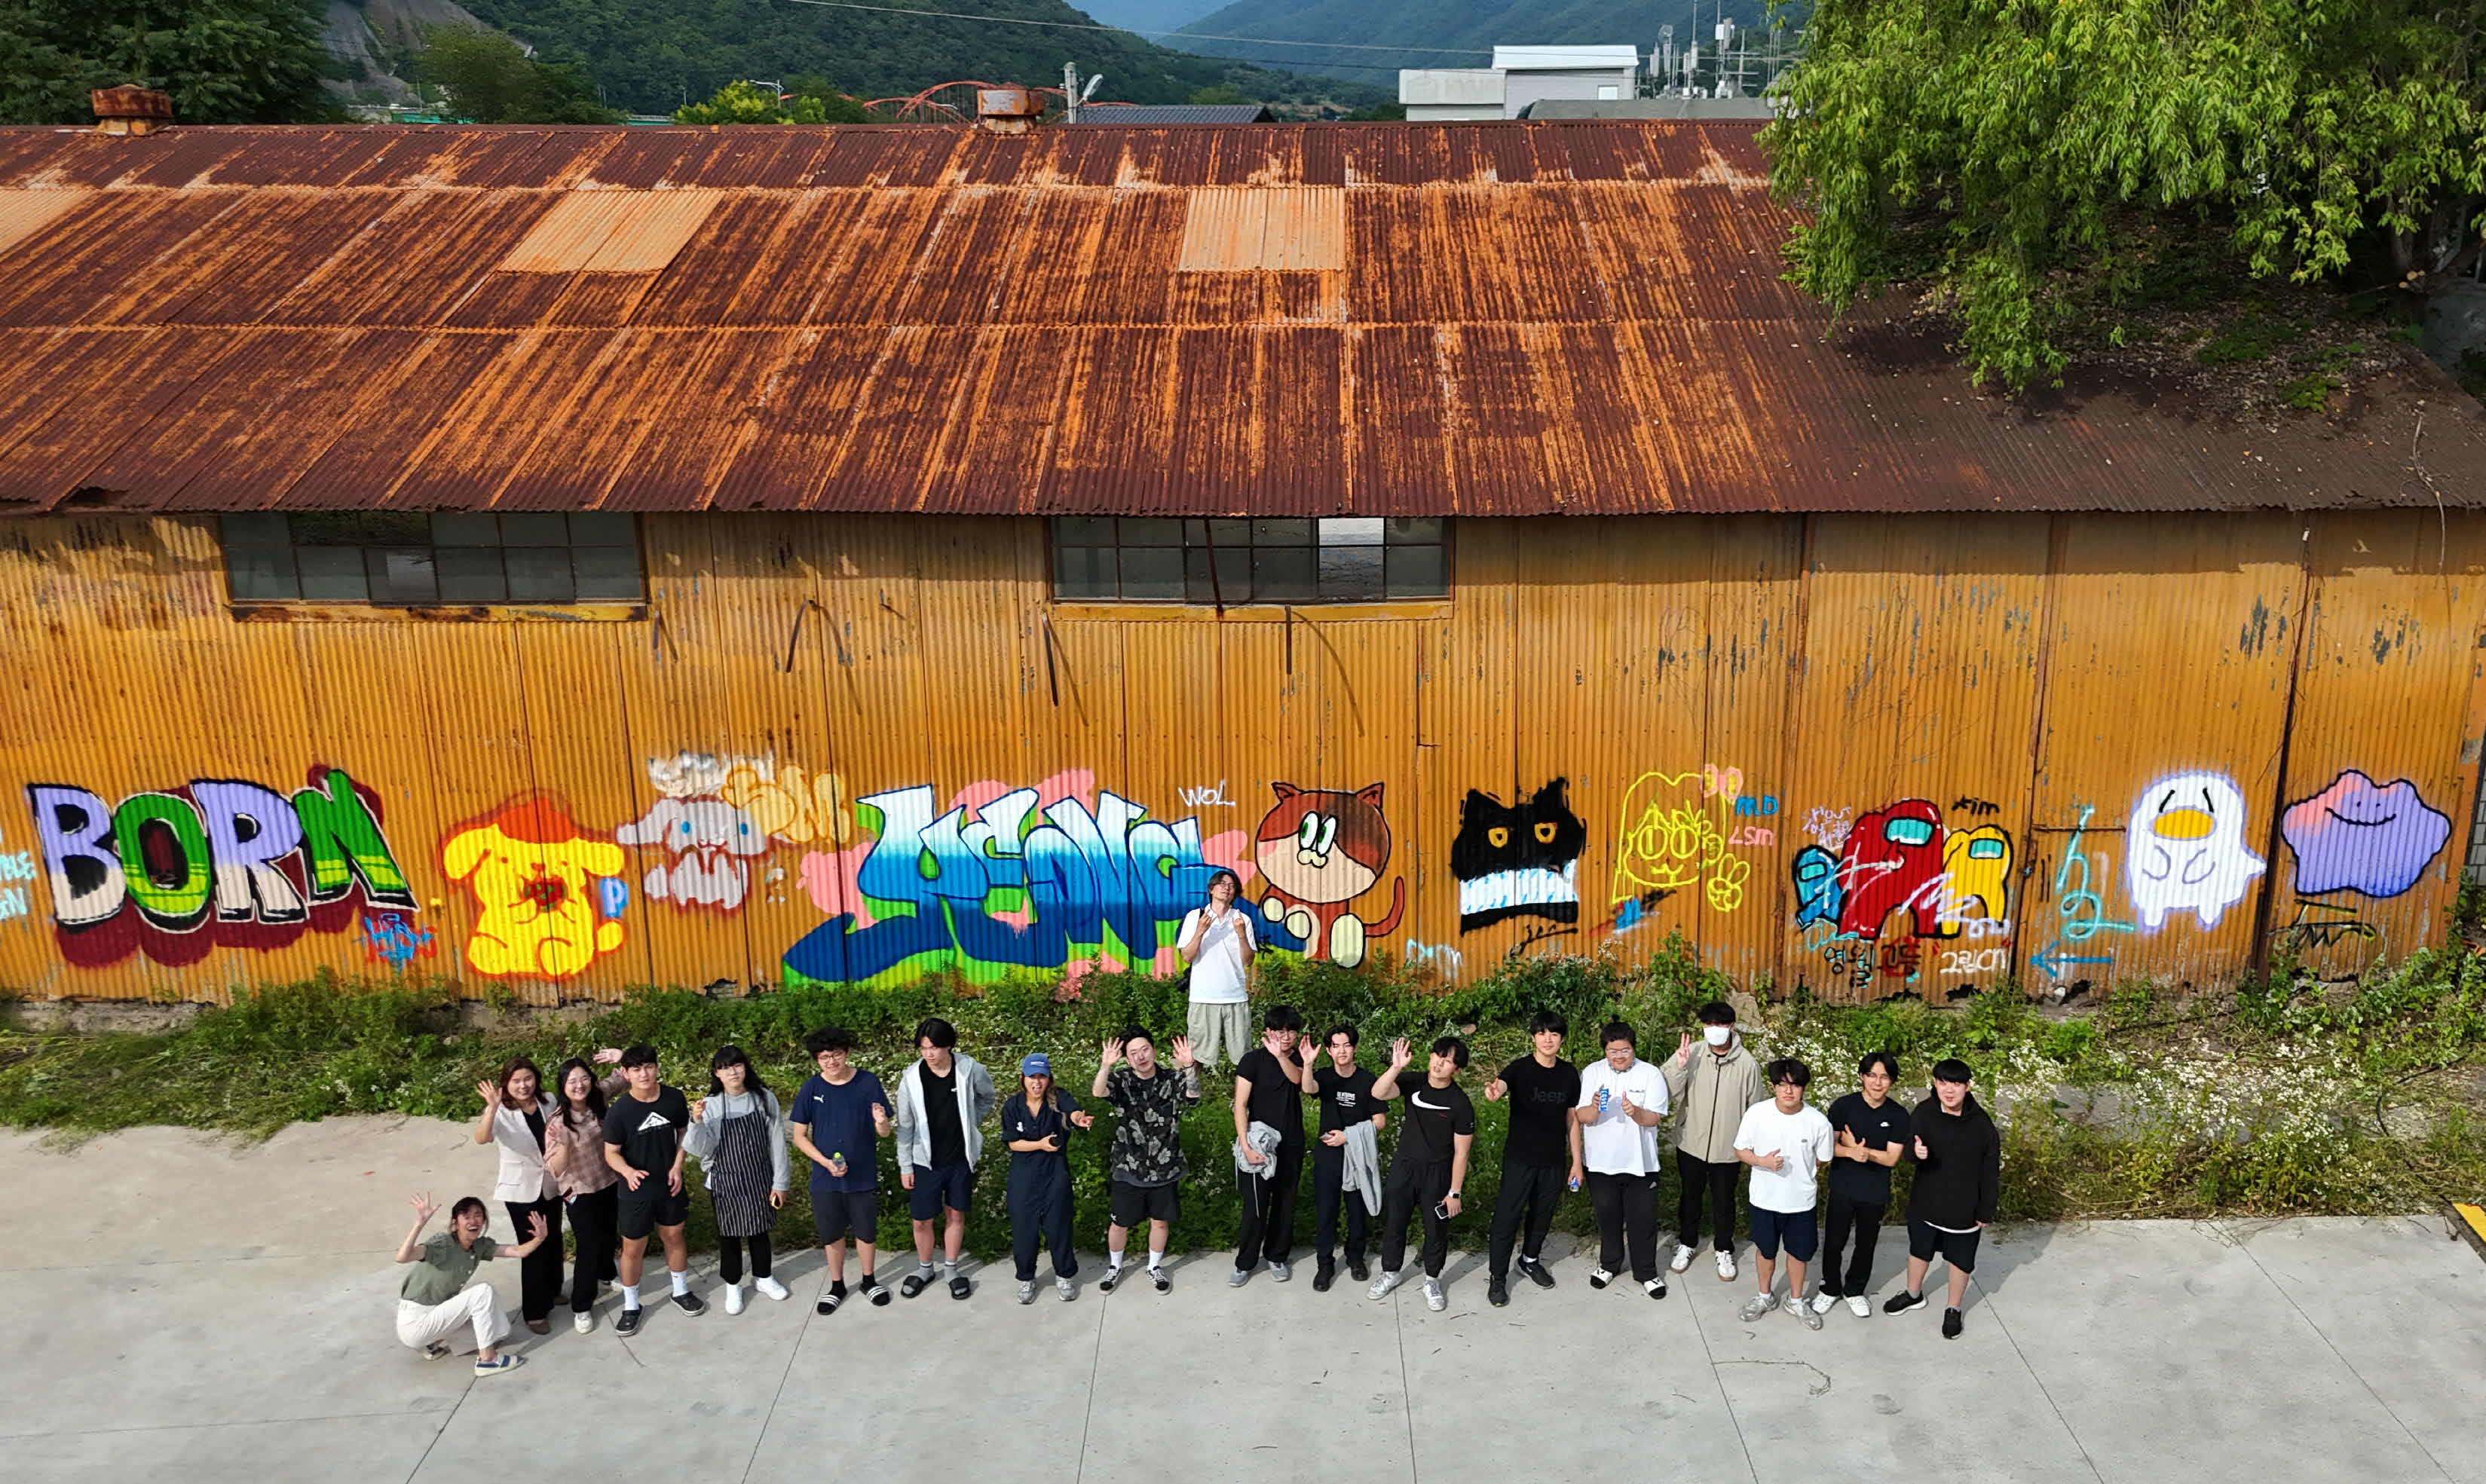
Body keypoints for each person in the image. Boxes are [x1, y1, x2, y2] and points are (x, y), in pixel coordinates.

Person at [1886, 1057, 2001, 1339]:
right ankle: (1913, 1294)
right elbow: (1909, 1150)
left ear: (1968, 1086)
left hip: (1964, 1207)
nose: (1949, 1090)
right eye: (1943, 1083)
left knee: (1961, 1260)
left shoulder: (1982, 1125)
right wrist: (1916, 1154)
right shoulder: (1924, 1112)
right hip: (1926, 1201)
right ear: (1935, 1084)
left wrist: (1986, 1209)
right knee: (1919, 1250)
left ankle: (1953, 1308)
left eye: (1956, 1084)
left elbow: (1990, 1171)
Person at [789, 1025, 895, 1316]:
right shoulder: (812, 1088)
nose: (831, 1061)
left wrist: (881, 1121)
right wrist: (825, 1163)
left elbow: (884, 1132)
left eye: (836, 1054)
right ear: (817, 1060)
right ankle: (837, 1285)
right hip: (825, 1177)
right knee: (832, 1233)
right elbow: (799, 1136)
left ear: (846, 1053)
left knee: (866, 1231)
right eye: (824, 1057)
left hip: (863, 1173)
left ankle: (869, 1281)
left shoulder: (867, 1082)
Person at [1483, 1011, 1584, 1307]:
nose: (1548, 1039)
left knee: (1542, 1214)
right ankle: (1497, 1276)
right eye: (1542, 1033)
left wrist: (1577, 1162)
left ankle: (1529, 1260)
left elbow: (1572, 1119)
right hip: (1519, 1159)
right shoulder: (1520, 1069)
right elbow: (1501, 1085)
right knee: (1507, 1217)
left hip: (1553, 1160)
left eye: (1554, 1034)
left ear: (1561, 1039)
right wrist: (1495, 1091)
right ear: (1533, 1038)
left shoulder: (1568, 1074)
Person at [1367, 1035, 1475, 1313]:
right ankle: (1391, 1272)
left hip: (1437, 1173)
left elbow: (1462, 1152)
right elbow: (1378, 1093)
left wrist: (1454, 1192)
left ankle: (1432, 1280)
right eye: (1437, 1055)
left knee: (1435, 1230)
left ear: (1457, 1069)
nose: (1439, 1063)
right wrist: (1396, 1067)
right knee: (1395, 1223)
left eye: (1447, 1061)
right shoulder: (1414, 1081)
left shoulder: (1460, 1103)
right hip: (1405, 1166)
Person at [1662, 1000, 1768, 1281]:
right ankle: (1687, 1243)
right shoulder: (1692, 1053)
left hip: (1728, 1149)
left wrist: (1750, 1147)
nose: (1713, 1029)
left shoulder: (1747, 1064)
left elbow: (1756, 1109)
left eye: (1719, 1024)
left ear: (1731, 1027)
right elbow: (1666, 1092)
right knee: (1690, 1197)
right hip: (1691, 1142)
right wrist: (1680, 1067)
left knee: (1724, 1201)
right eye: (1708, 1024)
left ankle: (1724, 1248)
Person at [893, 1017, 998, 1301]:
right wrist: (905, 1165)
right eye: (923, 1048)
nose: (928, 1054)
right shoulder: (911, 1078)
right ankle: (925, 1268)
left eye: (934, 1048)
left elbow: (988, 1097)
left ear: (949, 1045)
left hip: (959, 1159)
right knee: (921, 1220)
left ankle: (951, 1269)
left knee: (955, 1214)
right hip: (924, 1162)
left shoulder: (969, 1069)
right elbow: (905, 1126)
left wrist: (971, 1123)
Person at [1093, 1027, 1203, 1293]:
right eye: (1133, 1053)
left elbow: (1193, 1095)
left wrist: (1190, 1066)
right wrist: (1105, 1066)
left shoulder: (1171, 1078)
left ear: (1153, 1050)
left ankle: (1154, 1267)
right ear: (1126, 1058)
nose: (1141, 1056)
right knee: (1119, 1223)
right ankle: (1115, 1266)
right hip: (1128, 1165)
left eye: (1145, 1049)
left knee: (1160, 1221)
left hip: (1165, 1166)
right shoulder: (1122, 1079)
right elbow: (1099, 1092)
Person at [602, 1042, 702, 1333]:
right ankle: (631, 1305)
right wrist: (628, 1172)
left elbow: (683, 1132)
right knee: (633, 1247)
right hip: (635, 1190)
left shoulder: (673, 1098)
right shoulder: (619, 1111)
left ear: (657, 1068)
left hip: (669, 1183)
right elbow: (611, 1153)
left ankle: (680, 1291)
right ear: (625, 1074)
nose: (643, 1074)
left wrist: (678, 1166)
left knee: (674, 1236)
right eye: (636, 1069)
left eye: (648, 1067)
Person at [393, 1191, 550, 1376]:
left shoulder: (479, 1246)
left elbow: (518, 1251)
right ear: (455, 1223)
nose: (473, 1221)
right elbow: (402, 1257)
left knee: (499, 1332)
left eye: (478, 1215)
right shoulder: (442, 1244)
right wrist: (419, 1223)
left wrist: (540, 1238)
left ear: (484, 1221)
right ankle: (488, 1361)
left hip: (435, 1314)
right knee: (483, 1292)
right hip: (415, 1321)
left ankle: (432, 1342)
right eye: (466, 1216)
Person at [685, 1045, 790, 1316]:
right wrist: (696, 1120)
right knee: (729, 1236)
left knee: (759, 1231)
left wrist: (780, 1182)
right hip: (725, 1180)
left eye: (737, 1065)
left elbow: (777, 1142)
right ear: (716, 1073)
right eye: (725, 1068)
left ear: (745, 1067)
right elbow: (700, 1149)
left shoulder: (764, 1098)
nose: (733, 1072)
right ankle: (733, 1285)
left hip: (759, 1176)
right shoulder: (711, 1105)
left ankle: (763, 1277)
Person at [1734, 1058, 1836, 1328]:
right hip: (1764, 1199)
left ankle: (1796, 1300)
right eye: (1782, 1085)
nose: (1788, 1091)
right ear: (1774, 1086)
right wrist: (1762, 1162)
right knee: (1765, 1251)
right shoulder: (1757, 1114)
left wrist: (1801, 1172)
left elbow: (1823, 1158)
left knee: (1799, 1254)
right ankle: (1764, 1296)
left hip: (1801, 1202)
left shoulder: (1818, 1122)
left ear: (1804, 1088)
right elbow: (1741, 1150)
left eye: (1795, 1085)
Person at [1573, 1020, 1671, 1301]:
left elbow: (1654, 1118)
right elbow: (1581, 1117)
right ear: (1605, 1050)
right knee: (1608, 1218)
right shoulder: (1592, 1072)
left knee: (1643, 1221)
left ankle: (1647, 1272)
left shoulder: (1650, 1074)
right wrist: (1594, 1106)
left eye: (1624, 1051)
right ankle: (1609, 1264)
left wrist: (1635, 1112)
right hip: (1601, 1163)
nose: (1618, 1056)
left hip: (1641, 1165)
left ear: (1633, 1049)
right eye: (1612, 1051)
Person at [470, 1055, 565, 1334]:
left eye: (528, 1079)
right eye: (516, 1081)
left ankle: (554, 1290)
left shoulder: (548, 1100)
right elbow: (482, 1138)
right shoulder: (501, 1110)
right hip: (521, 1190)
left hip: (550, 1183)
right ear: (506, 1084)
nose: (523, 1086)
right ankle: (535, 1312)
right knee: (533, 1246)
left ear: (536, 1079)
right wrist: (491, 1108)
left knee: (554, 1238)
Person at [1814, 1051, 1909, 1320]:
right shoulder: (1843, 1106)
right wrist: (1850, 1152)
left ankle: (1855, 1290)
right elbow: (1828, 1149)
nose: (1877, 1083)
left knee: (1866, 1244)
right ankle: (1830, 1287)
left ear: (1892, 1081)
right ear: (1861, 1077)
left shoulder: (1898, 1115)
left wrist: (1864, 1152)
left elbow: (1891, 1158)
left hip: (1875, 1191)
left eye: (1884, 1077)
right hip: (1843, 1186)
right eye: (1871, 1075)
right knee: (1834, 1241)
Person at [542, 1049, 629, 1333]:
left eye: (584, 1079)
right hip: (579, 1191)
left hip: (608, 1181)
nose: (579, 1085)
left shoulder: (598, 1098)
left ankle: (606, 1275)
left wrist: (622, 1056)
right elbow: (555, 1169)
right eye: (572, 1082)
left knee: (608, 1235)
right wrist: (566, 1145)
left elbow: (627, 1075)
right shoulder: (557, 1122)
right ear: (563, 1087)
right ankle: (582, 1306)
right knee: (588, 1247)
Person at [1001, 1053, 1094, 1303]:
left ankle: (1064, 1275)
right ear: (1023, 1078)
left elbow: (1073, 1113)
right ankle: (1026, 1278)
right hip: (1023, 1176)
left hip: (1055, 1174)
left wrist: (1079, 1119)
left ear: (1049, 1078)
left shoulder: (1057, 1098)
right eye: (1032, 1077)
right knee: (1024, 1229)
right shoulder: (1013, 1106)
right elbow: (1013, 1143)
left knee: (1058, 1226)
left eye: (1042, 1077)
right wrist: (1040, 1144)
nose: (1037, 1082)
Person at [1304, 1022, 1386, 1291]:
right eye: (1336, 1046)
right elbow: (1308, 1088)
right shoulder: (1325, 1077)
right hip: (1327, 1154)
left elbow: (1380, 1121)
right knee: (1326, 1211)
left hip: (1357, 1155)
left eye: (1347, 1045)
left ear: (1355, 1048)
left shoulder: (1368, 1080)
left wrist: (1348, 1136)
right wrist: (1307, 1064)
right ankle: (1324, 1265)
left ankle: (1356, 1258)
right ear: (1329, 1050)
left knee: (1357, 1211)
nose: (1342, 1051)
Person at [1231, 1004, 1308, 1287]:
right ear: (1267, 1032)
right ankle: (1245, 1263)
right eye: (1278, 1031)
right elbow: (1240, 1104)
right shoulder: (1251, 1061)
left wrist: (1281, 1056)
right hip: (1259, 1144)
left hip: (1291, 1142)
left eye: (1290, 1031)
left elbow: (1297, 1080)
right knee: (1255, 1206)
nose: (1285, 1037)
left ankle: (1276, 1256)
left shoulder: (1299, 1057)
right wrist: (1245, 1145)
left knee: (1285, 1204)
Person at [1179, 868, 1257, 1069]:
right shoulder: (1195, 917)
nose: (1227, 888)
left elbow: (1249, 961)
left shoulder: (1242, 920)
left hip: (1235, 997)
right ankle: (1192, 1088)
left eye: (1231, 885)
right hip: (1203, 997)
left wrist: (1241, 934)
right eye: (1222, 884)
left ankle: (1242, 1089)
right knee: (1196, 1056)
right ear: (1211, 889)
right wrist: (1200, 931)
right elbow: (1187, 956)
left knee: (1243, 1058)